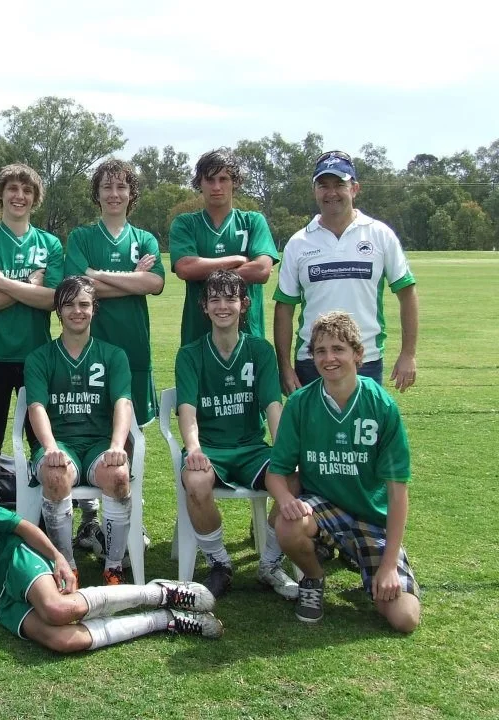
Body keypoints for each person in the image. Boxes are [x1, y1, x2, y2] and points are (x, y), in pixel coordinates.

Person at [0, 441, 223, 650]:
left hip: (8, 562)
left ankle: (157, 592)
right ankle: (165, 618)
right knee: (65, 642)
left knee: (58, 610)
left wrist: (58, 558)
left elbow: (18, 525)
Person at [265, 311, 420, 632]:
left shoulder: (381, 406)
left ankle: (377, 568)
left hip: (371, 517)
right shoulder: (300, 403)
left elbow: (397, 491)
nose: (329, 358)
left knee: (404, 619)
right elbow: (276, 472)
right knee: (288, 522)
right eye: (320, 351)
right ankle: (313, 578)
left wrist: (389, 565)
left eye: (338, 349)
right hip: (322, 508)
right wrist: (285, 500)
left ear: (358, 354)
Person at [173, 270, 298, 600]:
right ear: (204, 307)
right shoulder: (190, 353)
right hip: (211, 449)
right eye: (215, 299)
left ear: (244, 304)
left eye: (230, 299)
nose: (223, 306)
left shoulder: (260, 350)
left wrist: (285, 452)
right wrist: (194, 447)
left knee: (294, 477)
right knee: (197, 481)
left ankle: (270, 563)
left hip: (251, 448)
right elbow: (187, 409)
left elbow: (273, 405)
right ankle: (219, 563)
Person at [64, 159, 165, 550]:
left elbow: (155, 283)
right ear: (97, 193)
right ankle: (90, 522)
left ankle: (127, 518)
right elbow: (77, 289)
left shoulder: (145, 238)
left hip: (134, 349)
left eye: (121, 188)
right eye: (106, 187)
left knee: (130, 436)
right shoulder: (82, 237)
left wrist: (100, 276)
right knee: (90, 428)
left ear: (131, 194)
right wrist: (131, 281)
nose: (114, 194)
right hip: (88, 351)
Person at [273, 150, 418, 396]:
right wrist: (285, 367)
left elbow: (406, 293)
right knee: (314, 434)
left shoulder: (380, 235)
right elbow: (284, 309)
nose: (331, 193)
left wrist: (408, 354)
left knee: (364, 433)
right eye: (323, 185)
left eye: (339, 184)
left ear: (354, 188)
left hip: (366, 359)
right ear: (314, 190)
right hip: (312, 361)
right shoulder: (299, 242)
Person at [23, 276, 134, 585]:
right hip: (62, 444)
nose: (77, 311)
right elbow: (36, 408)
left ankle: (113, 565)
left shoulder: (113, 355)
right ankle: (66, 564)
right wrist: (49, 447)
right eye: (69, 304)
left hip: (99, 444)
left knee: (119, 475)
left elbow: (122, 403)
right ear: (58, 310)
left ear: (94, 309)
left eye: (84, 304)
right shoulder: (40, 357)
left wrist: (116, 445)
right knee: (56, 475)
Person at [0, 163, 62, 504]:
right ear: (1, 194)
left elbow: (52, 300)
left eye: (27, 191)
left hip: (36, 356)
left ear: (35, 199)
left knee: (41, 441)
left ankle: (43, 518)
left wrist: (3, 283)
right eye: (13, 189)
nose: (19, 196)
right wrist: (29, 285)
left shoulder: (50, 244)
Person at [169, 149, 279, 346]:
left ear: (235, 182)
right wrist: (237, 259)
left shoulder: (252, 221)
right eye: (210, 179)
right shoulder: (186, 223)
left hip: (248, 335)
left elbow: (261, 270)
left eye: (224, 179)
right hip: (198, 337)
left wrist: (203, 271)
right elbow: (185, 268)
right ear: (199, 183)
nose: (217, 186)